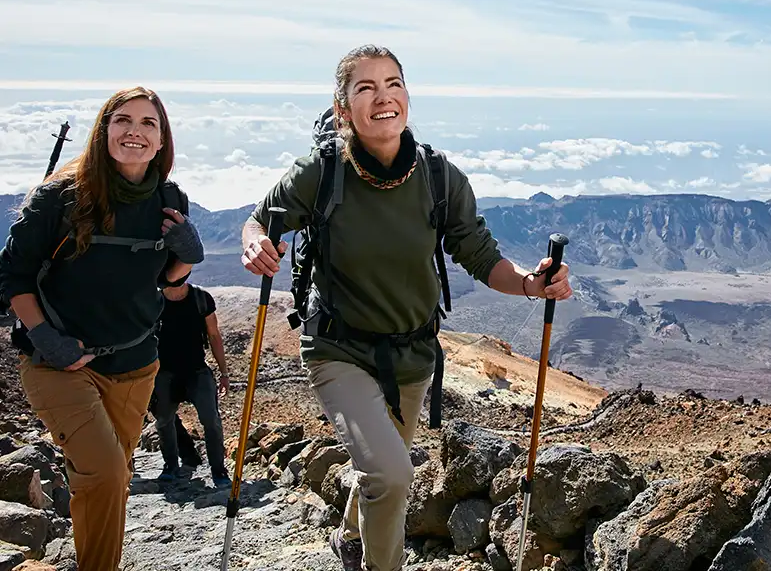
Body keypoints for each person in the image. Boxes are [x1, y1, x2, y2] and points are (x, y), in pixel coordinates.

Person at [241, 45, 572, 571]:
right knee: (393, 473)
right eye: (365, 88)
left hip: (414, 356)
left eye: (393, 83)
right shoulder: (320, 173)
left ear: (408, 97)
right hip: (337, 348)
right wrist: (256, 242)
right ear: (344, 108)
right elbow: (260, 221)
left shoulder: (440, 179)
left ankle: (350, 538)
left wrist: (534, 285)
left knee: (381, 468)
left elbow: (483, 259)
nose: (383, 97)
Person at [0, 87, 205, 571]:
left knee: (109, 479)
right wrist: (44, 336)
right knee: (107, 472)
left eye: (148, 124)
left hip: (135, 365)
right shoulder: (59, 197)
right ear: (103, 131)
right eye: (123, 120)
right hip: (59, 363)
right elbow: (12, 275)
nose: (135, 131)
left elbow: (163, 282)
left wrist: (184, 260)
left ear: (161, 141)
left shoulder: (170, 199)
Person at [150, 281, 232, 488]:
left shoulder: (201, 299)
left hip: (196, 370)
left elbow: (214, 335)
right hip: (164, 372)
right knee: (164, 420)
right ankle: (170, 466)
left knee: (211, 420)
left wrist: (224, 373)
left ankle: (218, 470)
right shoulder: (153, 301)